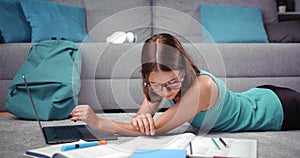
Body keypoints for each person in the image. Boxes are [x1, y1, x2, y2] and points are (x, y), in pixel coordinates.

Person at [71, 33, 300, 136]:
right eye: (156, 86)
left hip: (279, 108)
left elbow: (155, 128)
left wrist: (99, 121)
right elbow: (142, 120)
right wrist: (141, 117)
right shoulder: (159, 84)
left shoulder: (201, 88)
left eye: (172, 82)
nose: (166, 91)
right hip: (258, 94)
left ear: (183, 70)